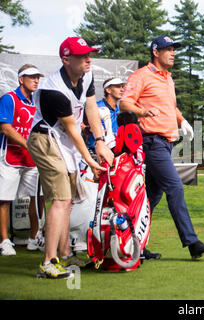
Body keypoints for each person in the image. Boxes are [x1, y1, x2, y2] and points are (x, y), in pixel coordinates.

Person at [27, 36, 114, 279]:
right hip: (45, 139)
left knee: (69, 199)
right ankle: (48, 262)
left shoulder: (87, 74)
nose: (88, 59)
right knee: (61, 199)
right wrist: (91, 159)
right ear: (66, 59)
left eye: (89, 54)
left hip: (65, 140)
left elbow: (90, 108)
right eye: (81, 56)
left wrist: (100, 141)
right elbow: (74, 131)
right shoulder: (52, 90)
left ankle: (65, 252)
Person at [120, 35, 204, 260]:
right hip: (151, 141)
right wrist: (142, 112)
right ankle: (192, 242)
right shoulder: (141, 75)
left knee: (151, 197)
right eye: (168, 49)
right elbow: (124, 103)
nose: (173, 53)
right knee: (175, 187)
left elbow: (171, 107)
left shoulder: (168, 78)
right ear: (155, 52)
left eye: (174, 49)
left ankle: (132, 243)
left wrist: (182, 121)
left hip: (166, 142)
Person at [0, 64, 45, 256]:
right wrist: (29, 144)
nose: (36, 80)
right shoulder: (9, 98)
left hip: (31, 159)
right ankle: (4, 241)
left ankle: (34, 238)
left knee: (38, 199)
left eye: (37, 77)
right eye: (31, 77)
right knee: (4, 200)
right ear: (21, 79)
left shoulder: (36, 101)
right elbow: (6, 128)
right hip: (9, 156)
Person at [86, 77, 125, 152]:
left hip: (115, 150)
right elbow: (83, 125)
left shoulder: (119, 110)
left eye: (122, 87)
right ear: (108, 90)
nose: (122, 90)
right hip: (97, 151)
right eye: (117, 87)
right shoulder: (96, 107)